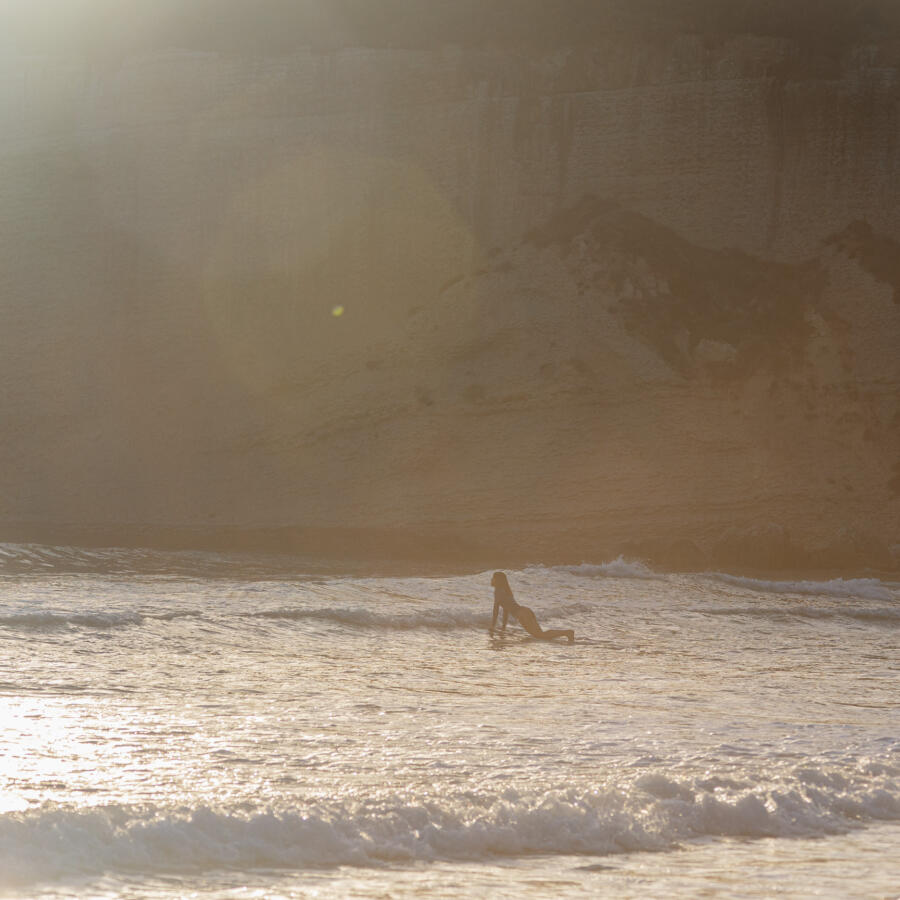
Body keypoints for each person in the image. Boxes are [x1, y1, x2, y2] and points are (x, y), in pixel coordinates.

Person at [489, 571, 574, 642]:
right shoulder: (506, 590)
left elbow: (495, 610)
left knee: (540, 635)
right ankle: (566, 633)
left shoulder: (498, 591)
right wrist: (503, 627)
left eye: (493, 578)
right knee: (541, 634)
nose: (491, 579)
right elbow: (506, 610)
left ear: (497, 580)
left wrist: (492, 627)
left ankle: (567, 632)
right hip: (525, 610)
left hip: (521, 614)